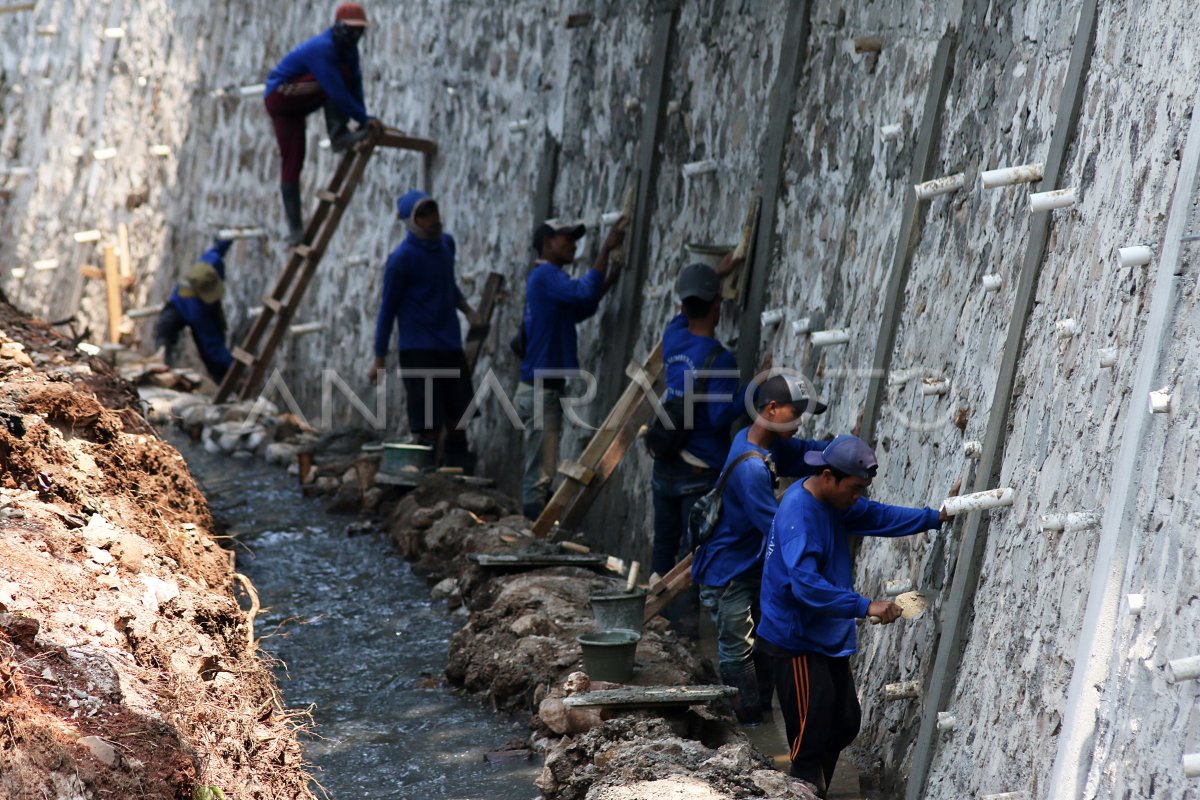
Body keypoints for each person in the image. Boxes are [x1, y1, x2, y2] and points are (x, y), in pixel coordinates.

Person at [756, 434, 954, 798]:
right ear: (828, 475)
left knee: (844, 722)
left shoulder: (836, 501)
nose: (858, 496)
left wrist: (934, 517)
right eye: (855, 488)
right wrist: (865, 606)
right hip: (795, 638)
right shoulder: (799, 514)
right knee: (810, 730)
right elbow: (807, 587)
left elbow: (877, 516)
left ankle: (817, 787)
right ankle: (801, 786)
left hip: (824, 632)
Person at [691, 374, 829, 725]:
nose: (800, 424)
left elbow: (803, 454)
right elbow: (777, 528)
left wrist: (839, 454)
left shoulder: (758, 441)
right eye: (796, 414)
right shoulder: (752, 468)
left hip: (747, 565)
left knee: (763, 641)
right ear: (772, 409)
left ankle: (760, 714)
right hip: (729, 573)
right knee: (737, 650)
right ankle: (748, 724)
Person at [516, 219, 624, 519]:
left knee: (542, 465)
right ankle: (532, 531)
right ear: (547, 242)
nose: (572, 245)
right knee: (539, 472)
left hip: (540, 386)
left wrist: (610, 279)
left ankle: (535, 525)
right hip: (541, 387)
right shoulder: (546, 275)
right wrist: (606, 250)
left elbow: (583, 306)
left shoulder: (547, 279)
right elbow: (583, 293)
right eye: (566, 239)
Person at [370, 191, 479, 470]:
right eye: (423, 215)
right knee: (427, 421)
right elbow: (388, 309)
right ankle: (426, 480)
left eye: (433, 212)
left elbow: (447, 284)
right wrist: (379, 356)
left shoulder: (446, 246)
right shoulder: (401, 260)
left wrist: (467, 310)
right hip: (418, 349)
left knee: (459, 414)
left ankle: (459, 474)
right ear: (410, 221)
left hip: (449, 344)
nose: (432, 220)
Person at [264, 3, 382, 244]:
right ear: (339, 28)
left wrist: (364, 118)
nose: (356, 36)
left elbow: (355, 86)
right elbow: (335, 89)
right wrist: (362, 119)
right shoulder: (324, 48)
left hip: (296, 106)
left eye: (360, 31)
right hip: (281, 95)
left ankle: (295, 229)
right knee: (336, 80)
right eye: (352, 30)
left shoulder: (349, 52)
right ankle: (338, 135)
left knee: (294, 159)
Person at [154, 239, 234, 382]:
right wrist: (232, 365)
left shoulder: (208, 263)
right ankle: (161, 366)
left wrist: (227, 240)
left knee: (214, 335)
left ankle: (222, 378)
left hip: (202, 307)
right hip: (178, 308)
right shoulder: (197, 312)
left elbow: (216, 251)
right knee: (166, 327)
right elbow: (212, 344)